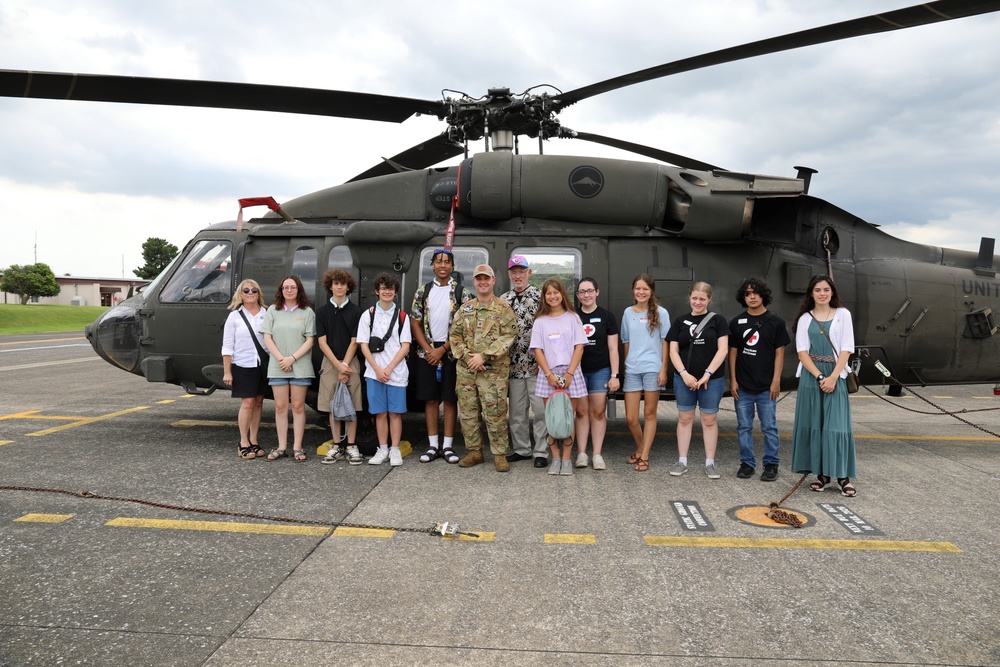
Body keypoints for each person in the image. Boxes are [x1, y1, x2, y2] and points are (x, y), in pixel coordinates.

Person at [791, 274, 857, 497]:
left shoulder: (843, 315)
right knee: (815, 425)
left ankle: (842, 476)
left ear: (832, 292)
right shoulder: (805, 319)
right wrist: (820, 377)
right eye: (818, 290)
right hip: (813, 377)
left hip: (836, 375)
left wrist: (832, 378)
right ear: (811, 293)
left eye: (826, 290)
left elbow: (847, 348)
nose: (822, 294)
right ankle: (821, 474)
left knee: (836, 427)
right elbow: (802, 352)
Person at [449, 264, 517, 471]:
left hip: (493, 372)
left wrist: (484, 356)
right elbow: (454, 335)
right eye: (479, 279)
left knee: (495, 413)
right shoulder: (465, 308)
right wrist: (469, 357)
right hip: (467, 370)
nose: (483, 282)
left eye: (486, 278)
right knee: (469, 414)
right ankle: (475, 452)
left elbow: (509, 336)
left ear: (493, 280)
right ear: (474, 282)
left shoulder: (503, 308)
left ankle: (499, 455)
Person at [410, 249, 474, 465]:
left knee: (449, 399)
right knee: (431, 399)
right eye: (438, 262)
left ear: (452, 266)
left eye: (447, 262)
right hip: (427, 352)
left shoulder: (462, 293)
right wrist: (429, 350)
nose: (443, 265)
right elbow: (415, 323)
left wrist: (443, 349)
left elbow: (466, 327)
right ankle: (432, 445)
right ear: (433, 266)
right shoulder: (423, 291)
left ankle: (447, 446)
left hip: (451, 353)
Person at [729, 277, 790, 482]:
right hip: (743, 386)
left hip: (766, 386)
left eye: (755, 292)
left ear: (763, 295)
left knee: (769, 427)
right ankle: (747, 463)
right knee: (743, 426)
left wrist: (776, 380)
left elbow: (779, 353)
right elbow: (733, 353)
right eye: (747, 293)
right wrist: (734, 380)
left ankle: (771, 464)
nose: (752, 296)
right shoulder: (737, 322)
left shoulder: (776, 322)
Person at [667, 281, 728, 478]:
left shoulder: (718, 321)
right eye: (694, 298)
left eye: (702, 299)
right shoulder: (680, 322)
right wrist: (684, 374)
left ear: (709, 299)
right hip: (684, 378)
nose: (698, 302)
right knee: (685, 419)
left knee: (709, 420)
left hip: (711, 379)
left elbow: (723, 349)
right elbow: (673, 351)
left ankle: (710, 463)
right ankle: (682, 461)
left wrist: (707, 374)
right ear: (689, 298)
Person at [529, 278, 589, 476]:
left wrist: (570, 373)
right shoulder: (540, 321)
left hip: (570, 373)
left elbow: (579, 346)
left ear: (562, 294)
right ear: (544, 297)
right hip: (549, 374)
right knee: (551, 418)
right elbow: (537, 350)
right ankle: (555, 457)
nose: (552, 296)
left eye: (556, 292)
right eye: (548, 293)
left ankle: (566, 459)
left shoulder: (573, 318)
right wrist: (548, 375)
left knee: (567, 419)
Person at [358, 272, 412, 467]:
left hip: (396, 373)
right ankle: (382, 448)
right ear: (376, 291)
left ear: (395, 292)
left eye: (390, 289)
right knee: (379, 413)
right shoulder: (368, 315)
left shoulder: (402, 316)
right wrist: (377, 369)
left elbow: (405, 345)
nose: (387, 292)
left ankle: (395, 449)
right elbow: (363, 345)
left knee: (395, 413)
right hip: (374, 373)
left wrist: (388, 368)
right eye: (383, 289)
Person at [500, 255, 549, 468]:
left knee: (540, 411)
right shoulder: (503, 299)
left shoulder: (540, 296)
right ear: (510, 274)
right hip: (512, 366)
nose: (518, 275)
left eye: (522, 271)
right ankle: (521, 449)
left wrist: (546, 358)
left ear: (529, 273)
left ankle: (541, 452)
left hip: (536, 365)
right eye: (514, 272)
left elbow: (548, 328)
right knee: (517, 412)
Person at [261, 275, 316, 462]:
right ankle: (282, 446)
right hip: (278, 366)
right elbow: (267, 337)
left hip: (300, 366)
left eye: (293, 287)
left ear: (298, 290)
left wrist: (292, 358)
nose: (289, 290)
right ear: (281, 290)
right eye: (286, 287)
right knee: (280, 407)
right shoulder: (272, 311)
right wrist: (281, 359)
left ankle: (298, 447)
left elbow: (310, 340)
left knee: (299, 407)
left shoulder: (307, 312)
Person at [620, 274, 670, 472]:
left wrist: (664, 369)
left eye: (645, 289)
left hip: (653, 369)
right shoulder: (627, 313)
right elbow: (626, 341)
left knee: (649, 413)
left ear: (651, 291)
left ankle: (645, 455)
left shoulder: (661, 313)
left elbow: (666, 342)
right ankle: (640, 447)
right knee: (631, 418)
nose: (641, 292)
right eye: (638, 288)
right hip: (633, 369)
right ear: (633, 290)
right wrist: (626, 365)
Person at [315, 269, 364, 466]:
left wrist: (345, 365)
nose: (340, 287)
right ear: (330, 286)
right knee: (332, 405)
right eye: (336, 283)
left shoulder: (357, 312)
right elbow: (322, 342)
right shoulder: (322, 312)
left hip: (350, 361)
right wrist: (338, 365)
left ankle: (351, 446)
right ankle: (336, 445)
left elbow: (355, 341)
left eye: (343, 284)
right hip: (330, 362)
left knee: (351, 404)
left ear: (348, 287)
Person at [574, 277, 620, 470]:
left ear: (597, 292)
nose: (586, 295)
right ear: (577, 295)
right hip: (578, 371)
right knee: (582, 412)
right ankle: (582, 453)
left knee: (598, 412)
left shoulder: (607, 317)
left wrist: (614, 375)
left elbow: (613, 349)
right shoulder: (573, 317)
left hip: (601, 370)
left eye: (590, 291)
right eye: (582, 292)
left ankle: (597, 455)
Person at [221, 278, 269, 459]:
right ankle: (243, 442)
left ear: (259, 293)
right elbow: (227, 346)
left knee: (258, 402)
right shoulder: (234, 316)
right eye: (246, 290)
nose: (250, 293)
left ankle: (254, 440)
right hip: (243, 364)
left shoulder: (266, 313)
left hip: (262, 364)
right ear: (240, 294)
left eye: (254, 290)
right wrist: (227, 371)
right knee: (247, 403)